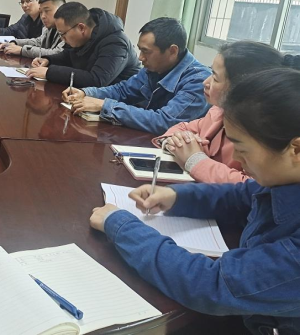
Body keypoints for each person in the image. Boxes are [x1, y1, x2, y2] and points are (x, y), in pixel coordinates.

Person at [90, 68, 300, 335]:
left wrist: (121, 226)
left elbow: (211, 285)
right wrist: (176, 197)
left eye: (242, 149)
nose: (236, 158)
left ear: (296, 150)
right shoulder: (283, 181)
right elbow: (241, 196)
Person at [153, 42, 300, 183]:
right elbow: (184, 128)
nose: (205, 82)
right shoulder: (218, 111)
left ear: (241, 87)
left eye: (215, 78)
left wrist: (195, 160)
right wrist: (178, 142)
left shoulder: (264, 130)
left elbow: (252, 188)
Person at [63, 17, 210, 134]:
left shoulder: (199, 81)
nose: (140, 58)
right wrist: (86, 93)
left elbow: (165, 122)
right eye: (140, 50)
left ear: (172, 51)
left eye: (146, 51)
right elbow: (123, 90)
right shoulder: (154, 68)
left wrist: (104, 105)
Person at [25, 2, 139, 86]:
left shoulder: (116, 44)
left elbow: (96, 80)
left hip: (120, 104)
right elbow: (67, 55)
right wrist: (48, 60)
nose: (62, 39)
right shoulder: (81, 37)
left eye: (63, 34)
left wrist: (49, 72)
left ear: (81, 28)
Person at [0, 0, 66, 58]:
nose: (43, 16)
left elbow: (57, 53)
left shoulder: (67, 29)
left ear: (61, 10)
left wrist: (22, 50)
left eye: (47, 11)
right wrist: (14, 42)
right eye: (41, 12)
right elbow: (39, 42)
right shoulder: (49, 27)